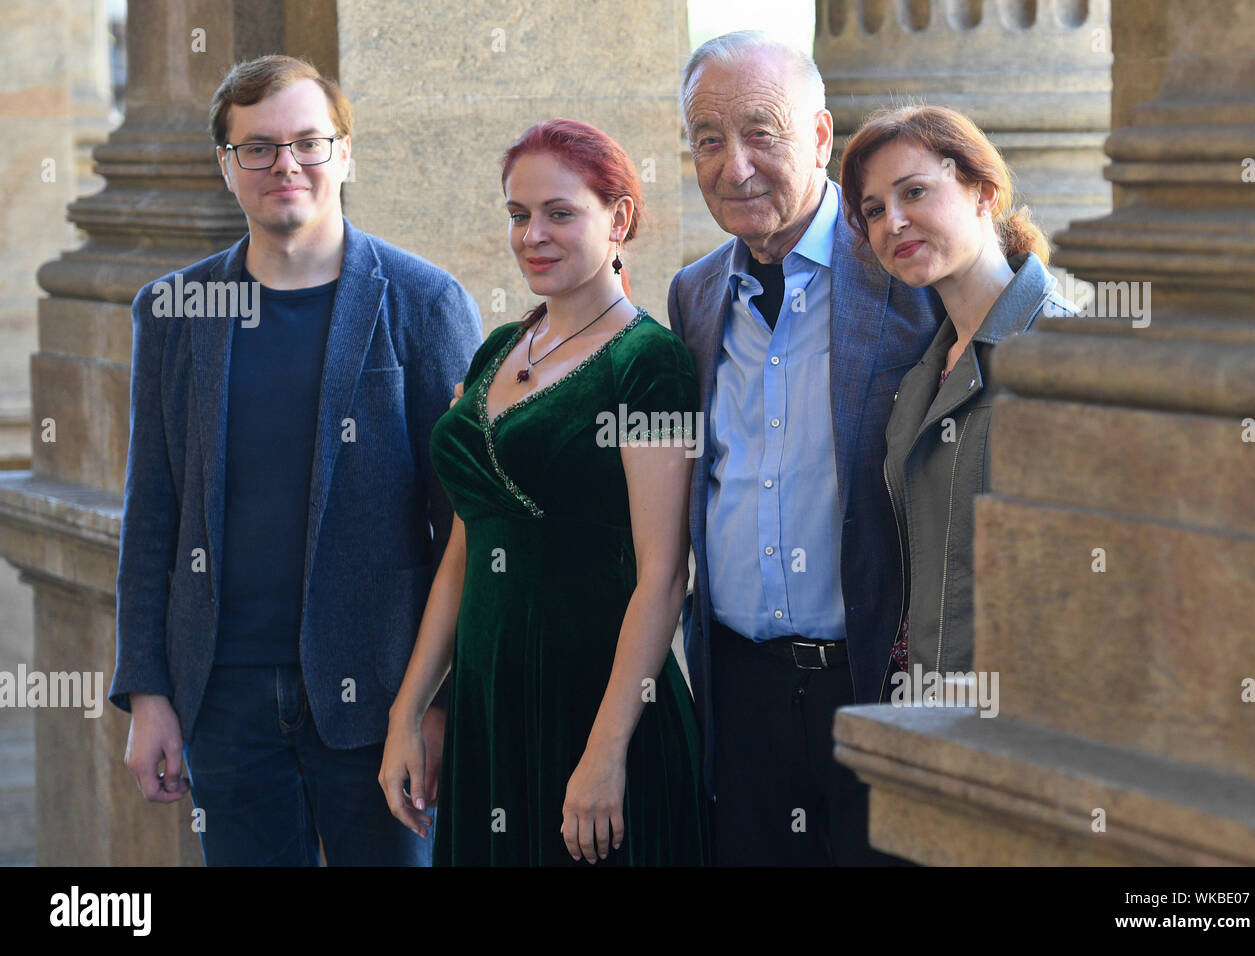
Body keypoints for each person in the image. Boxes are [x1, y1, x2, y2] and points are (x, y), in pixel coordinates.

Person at [109, 55, 482, 866]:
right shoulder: (172, 311)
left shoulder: (425, 303)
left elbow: (465, 526)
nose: (287, 165)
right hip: (223, 699)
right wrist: (147, 693)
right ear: (225, 166)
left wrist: (443, 703)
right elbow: (153, 515)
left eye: (310, 144)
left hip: (384, 699)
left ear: (344, 155)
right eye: (260, 147)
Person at [380, 118, 709, 866]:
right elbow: (464, 554)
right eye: (519, 215)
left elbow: (663, 575)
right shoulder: (498, 347)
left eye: (561, 213)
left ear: (618, 218)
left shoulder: (650, 364)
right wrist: (410, 709)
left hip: (599, 703)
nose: (534, 235)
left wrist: (606, 751)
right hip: (488, 707)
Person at [669, 31, 943, 866]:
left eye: (762, 132)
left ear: (822, 137)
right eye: (708, 140)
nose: (734, 165)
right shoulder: (696, 293)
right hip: (739, 691)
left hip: (870, 688)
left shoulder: (907, 275)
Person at [839, 105, 1073, 681]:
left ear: (983, 193)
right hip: (921, 702)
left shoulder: (1066, 351)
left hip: (1018, 714)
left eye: (914, 191)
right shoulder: (923, 370)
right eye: (874, 209)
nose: (892, 221)